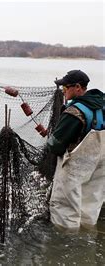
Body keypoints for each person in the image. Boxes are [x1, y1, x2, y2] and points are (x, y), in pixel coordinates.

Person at [47, 70, 104, 232]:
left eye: (65, 87)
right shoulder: (102, 104)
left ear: (78, 87)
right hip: (100, 165)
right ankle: (87, 235)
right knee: (90, 204)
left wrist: (50, 142)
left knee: (64, 208)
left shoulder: (74, 111)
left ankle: (65, 241)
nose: (63, 90)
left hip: (78, 165)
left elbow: (56, 146)